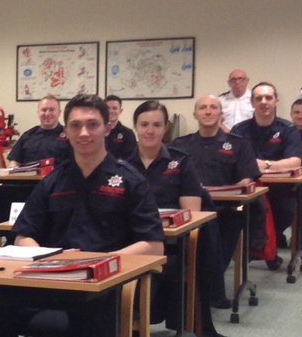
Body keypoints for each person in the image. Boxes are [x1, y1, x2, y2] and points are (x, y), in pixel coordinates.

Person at [0, 94, 164, 337]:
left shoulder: (131, 181)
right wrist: (49, 259)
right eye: (75, 125)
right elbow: (23, 235)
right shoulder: (53, 181)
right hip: (53, 278)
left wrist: (99, 262)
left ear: (106, 129)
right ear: (66, 131)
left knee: (73, 320)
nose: (84, 133)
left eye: (92, 124)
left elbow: (154, 246)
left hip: (104, 286)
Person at [127, 100, 215, 330]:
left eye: (157, 125)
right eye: (144, 124)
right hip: (128, 238)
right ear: (135, 126)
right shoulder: (121, 162)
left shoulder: (181, 161)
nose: (150, 130)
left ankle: (141, 321)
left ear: (165, 127)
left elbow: (191, 213)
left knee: (165, 265)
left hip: (171, 242)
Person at [170, 95, 261, 309]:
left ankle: (209, 293)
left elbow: (247, 179)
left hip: (226, 210)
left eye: (213, 107)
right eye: (202, 107)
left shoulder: (238, 144)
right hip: (188, 212)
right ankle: (189, 293)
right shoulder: (180, 145)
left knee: (216, 240)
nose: (208, 111)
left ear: (221, 114)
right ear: (195, 114)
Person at [230, 82, 302, 268]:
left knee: (285, 211)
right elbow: (232, 160)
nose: (264, 102)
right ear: (252, 103)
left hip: (279, 188)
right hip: (247, 187)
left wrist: (266, 165)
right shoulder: (239, 130)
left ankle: (265, 249)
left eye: (268, 97)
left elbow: (294, 161)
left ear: (276, 101)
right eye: (259, 98)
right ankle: (259, 250)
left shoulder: (289, 129)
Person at [0, 95, 72, 242]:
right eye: (44, 110)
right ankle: (12, 237)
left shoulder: (68, 135)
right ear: (38, 112)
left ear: (59, 112)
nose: (47, 113)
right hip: (26, 185)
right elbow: (14, 163)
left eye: (52, 110)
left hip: (56, 187)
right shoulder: (28, 135)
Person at [105, 95, 136, 160]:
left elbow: (130, 159)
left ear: (120, 111)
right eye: (107, 108)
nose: (111, 111)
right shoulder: (97, 132)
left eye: (114, 108)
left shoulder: (128, 133)